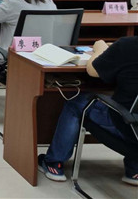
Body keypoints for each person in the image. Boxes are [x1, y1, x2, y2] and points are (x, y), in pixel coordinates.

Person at [38, 37, 138, 186]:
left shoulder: (129, 45)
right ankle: (134, 169)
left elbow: (93, 70)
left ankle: (54, 162)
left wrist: (100, 48)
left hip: (126, 125)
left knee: (76, 103)